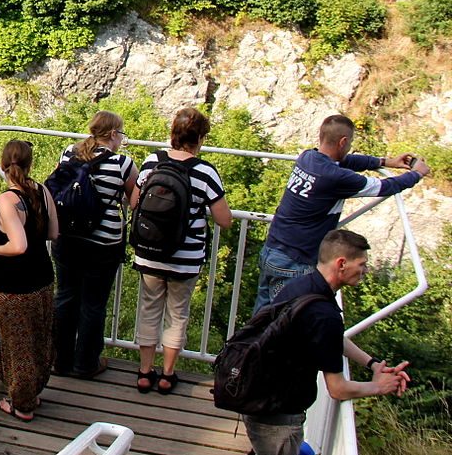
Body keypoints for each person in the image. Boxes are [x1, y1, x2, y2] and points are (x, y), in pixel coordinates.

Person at [243, 229, 409, 455]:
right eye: (362, 264)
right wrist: (379, 386)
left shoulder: (303, 287)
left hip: (258, 397)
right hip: (278, 416)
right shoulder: (324, 313)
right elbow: (338, 389)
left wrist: (372, 364)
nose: (366, 270)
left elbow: (332, 337)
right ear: (342, 264)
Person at [253, 114, 429, 312]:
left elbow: (346, 161)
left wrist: (385, 162)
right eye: (350, 142)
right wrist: (417, 173)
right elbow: (385, 186)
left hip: (272, 250)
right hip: (296, 261)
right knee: (285, 325)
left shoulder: (307, 157)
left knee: (261, 320)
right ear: (343, 141)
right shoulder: (335, 177)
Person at [132, 107, 233, 395]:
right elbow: (224, 219)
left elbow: (135, 202)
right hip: (185, 259)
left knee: (149, 309)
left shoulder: (153, 161)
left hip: (149, 252)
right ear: (199, 138)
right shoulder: (205, 171)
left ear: (173, 133)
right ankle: (167, 375)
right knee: (177, 314)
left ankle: (144, 372)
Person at [51, 111, 137, 379]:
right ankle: (86, 363)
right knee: (93, 304)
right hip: (103, 245)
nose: (122, 139)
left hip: (66, 238)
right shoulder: (123, 163)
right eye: (121, 134)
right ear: (113, 134)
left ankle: (59, 361)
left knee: (65, 298)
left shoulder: (69, 153)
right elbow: (135, 202)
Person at [0, 139, 59, 421]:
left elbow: (18, 245)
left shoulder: (7, 199)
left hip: (14, 284)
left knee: (16, 346)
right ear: (29, 164)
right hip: (43, 279)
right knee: (38, 341)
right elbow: (53, 233)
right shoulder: (42, 191)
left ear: (3, 164)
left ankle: (21, 405)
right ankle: (32, 394)